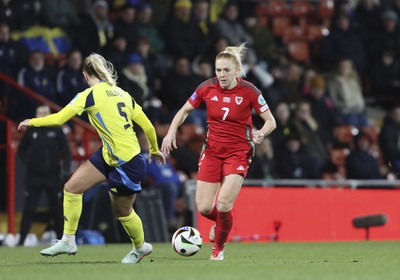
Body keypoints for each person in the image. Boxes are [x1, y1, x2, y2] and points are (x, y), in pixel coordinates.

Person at [18, 53, 166, 264]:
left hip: (127, 162)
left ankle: (140, 247)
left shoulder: (88, 95)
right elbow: (149, 126)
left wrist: (32, 121)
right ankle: (68, 240)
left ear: (85, 75)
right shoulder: (123, 94)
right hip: (113, 154)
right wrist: (153, 148)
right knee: (72, 187)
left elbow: (60, 118)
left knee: (122, 211)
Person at [161, 43, 276, 260]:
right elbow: (184, 110)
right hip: (212, 152)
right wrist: (170, 133)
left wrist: (261, 132)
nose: (221, 75)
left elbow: (271, 121)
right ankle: (221, 222)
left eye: (226, 70)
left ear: (237, 71)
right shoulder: (206, 88)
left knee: (223, 203)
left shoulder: (250, 91)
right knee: (204, 208)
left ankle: (218, 250)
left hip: (238, 152)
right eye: (218, 70)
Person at [17, 105, 71, 246]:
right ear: (35, 115)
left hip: (52, 176)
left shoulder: (57, 130)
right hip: (34, 177)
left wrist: (65, 171)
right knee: (29, 209)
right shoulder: (31, 131)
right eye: (39, 113)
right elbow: (21, 151)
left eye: (44, 113)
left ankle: (62, 241)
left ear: (49, 114)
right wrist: (30, 163)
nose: (41, 116)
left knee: (55, 210)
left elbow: (67, 152)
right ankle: (21, 241)